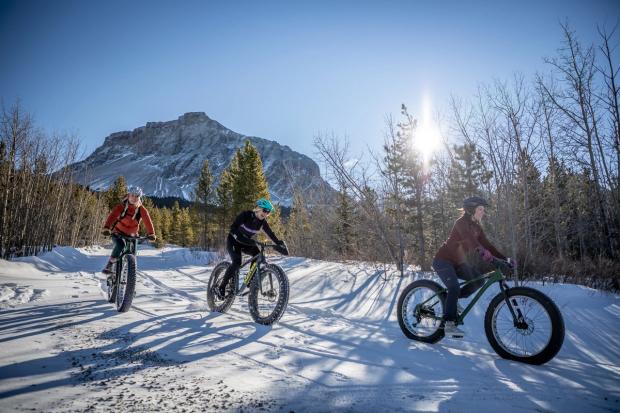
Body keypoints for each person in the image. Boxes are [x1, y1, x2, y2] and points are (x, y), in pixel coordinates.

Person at [432, 196, 513, 338]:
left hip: (458, 262)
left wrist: (505, 259)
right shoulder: (460, 223)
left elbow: (487, 245)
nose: (483, 212)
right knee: (454, 288)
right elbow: (470, 241)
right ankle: (449, 324)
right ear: (471, 210)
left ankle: (451, 300)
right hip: (443, 260)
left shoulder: (477, 227)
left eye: (483, 209)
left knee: (479, 281)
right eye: (480, 209)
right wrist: (486, 256)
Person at [217, 198, 285, 298]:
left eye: (268, 212)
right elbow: (233, 228)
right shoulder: (246, 215)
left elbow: (270, 233)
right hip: (233, 240)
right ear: (258, 208)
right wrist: (239, 237)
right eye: (265, 210)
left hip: (246, 242)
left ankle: (250, 281)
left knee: (258, 254)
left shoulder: (262, 222)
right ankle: (221, 287)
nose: (266, 214)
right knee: (236, 263)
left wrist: (278, 243)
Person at [101, 186, 156, 280]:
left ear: (140, 197)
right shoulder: (121, 206)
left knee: (132, 254)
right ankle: (109, 265)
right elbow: (113, 216)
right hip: (118, 232)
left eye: (137, 196)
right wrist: (107, 228)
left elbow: (147, 220)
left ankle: (130, 282)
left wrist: (151, 234)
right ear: (128, 195)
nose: (134, 198)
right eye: (132, 195)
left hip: (132, 235)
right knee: (120, 245)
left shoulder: (141, 209)